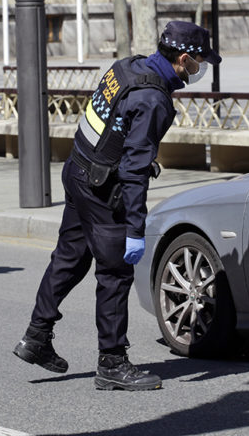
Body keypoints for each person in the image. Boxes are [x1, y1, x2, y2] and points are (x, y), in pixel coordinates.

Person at [13, 21, 221, 391]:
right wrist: (135, 230)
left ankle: (35, 337)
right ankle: (112, 361)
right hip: (103, 190)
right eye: (199, 62)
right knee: (115, 273)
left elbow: (111, 124)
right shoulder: (154, 99)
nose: (200, 69)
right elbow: (135, 171)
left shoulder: (129, 67)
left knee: (69, 258)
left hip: (78, 171)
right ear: (183, 59)